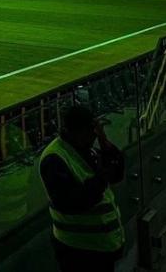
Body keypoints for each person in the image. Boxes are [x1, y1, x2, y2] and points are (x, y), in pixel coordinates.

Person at [39, 106, 125, 272]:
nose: (94, 135)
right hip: (79, 250)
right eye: (91, 130)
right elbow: (70, 202)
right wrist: (101, 178)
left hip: (102, 247)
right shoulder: (54, 158)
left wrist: (105, 143)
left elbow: (117, 175)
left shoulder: (87, 150)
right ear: (76, 132)